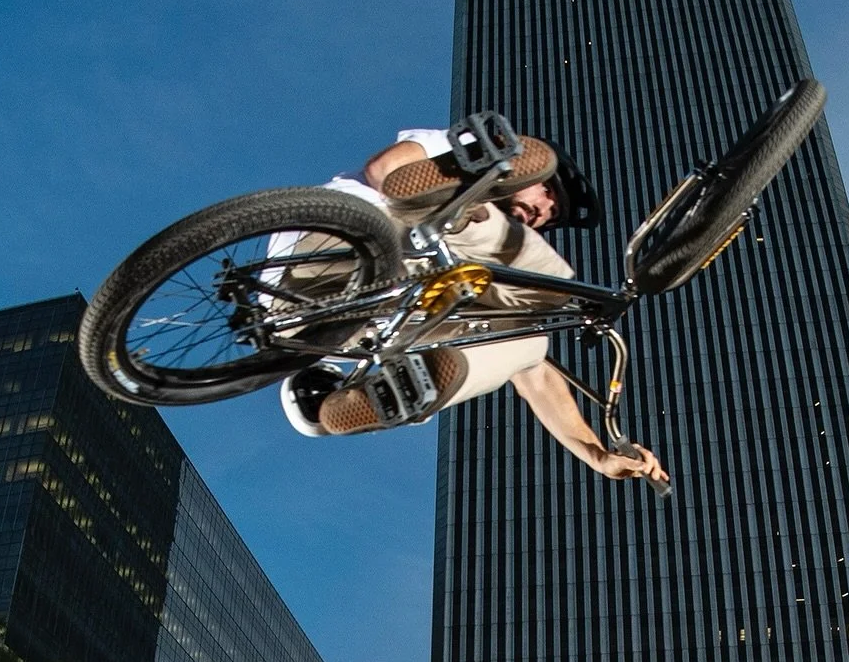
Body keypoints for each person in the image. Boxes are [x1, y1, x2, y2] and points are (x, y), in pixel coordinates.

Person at [278, 128, 668, 488]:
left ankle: (401, 393)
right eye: (548, 193)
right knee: (545, 282)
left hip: (309, 319)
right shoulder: (452, 147)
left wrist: (598, 455)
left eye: (550, 217)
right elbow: (383, 170)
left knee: (528, 344)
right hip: (339, 236)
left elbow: (536, 379)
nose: (544, 211)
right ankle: (463, 212)